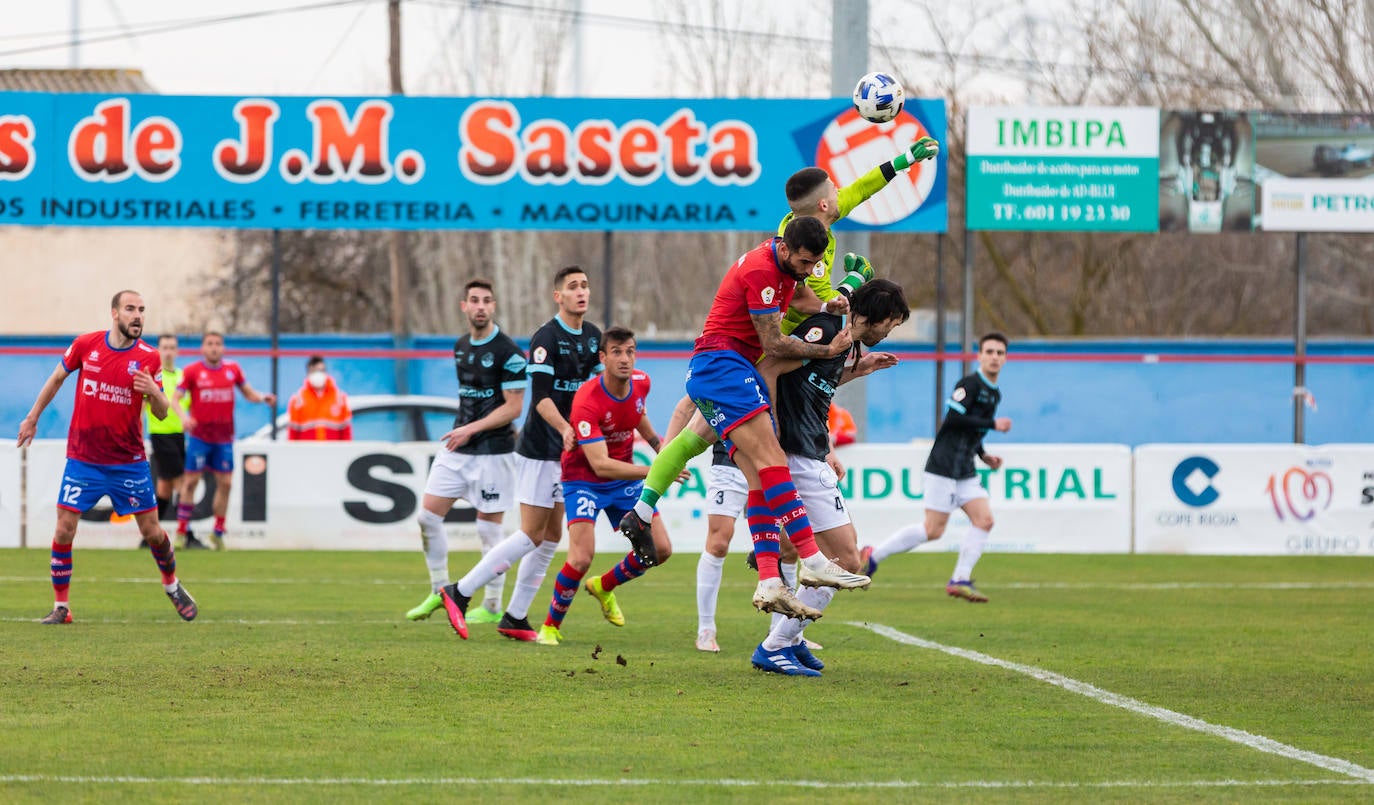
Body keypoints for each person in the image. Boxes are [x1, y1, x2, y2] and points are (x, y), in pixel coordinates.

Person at [618, 138, 941, 554]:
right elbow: (811, 303)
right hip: (778, 347)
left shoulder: (807, 231)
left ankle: (645, 509)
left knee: (697, 430)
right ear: (823, 206)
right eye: (833, 195)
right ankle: (777, 547)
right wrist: (852, 287)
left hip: (768, 344)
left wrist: (903, 161)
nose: (842, 198)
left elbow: (861, 190)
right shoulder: (797, 246)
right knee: (769, 451)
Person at [621, 216, 868, 622]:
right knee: (774, 459)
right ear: (786, 249)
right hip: (724, 366)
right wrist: (828, 351)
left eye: (814, 265)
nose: (808, 271)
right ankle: (811, 557)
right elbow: (772, 341)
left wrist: (830, 301)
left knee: (757, 474)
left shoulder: (787, 265)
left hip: (725, 370)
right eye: (805, 263)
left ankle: (770, 579)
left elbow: (804, 297)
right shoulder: (762, 270)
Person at [752, 279, 908, 676]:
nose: (889, 332)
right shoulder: (824, 328)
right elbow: (769, 367)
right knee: (846, 559)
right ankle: (776, 645)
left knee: (822, 555)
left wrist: (861, 370)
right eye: (890, 323)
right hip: (798, 457)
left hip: (811, 453)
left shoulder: (848, 344)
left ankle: (789, 640)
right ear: (877, 315)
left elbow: (814, 383)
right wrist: (769, 433)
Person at [438, 266, 601, 641]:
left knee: (551, 535)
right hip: (541, 448)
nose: (582, 292)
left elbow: (594, 393)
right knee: (530, 534)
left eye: (585, 286)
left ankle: (515, 616)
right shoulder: (545, 337)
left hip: (570, 450)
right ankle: (459, 592)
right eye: (573, 287)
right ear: (557, 296)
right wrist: (564, 428)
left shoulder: (594, 338)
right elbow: (541, 397)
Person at [16, 290, 197, 624]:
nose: (138, 315)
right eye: (130, 309)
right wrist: (32, 417)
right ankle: (62, 607)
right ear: (114, 313)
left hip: (127, 462)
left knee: (153, 532)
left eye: (142, 310)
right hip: (83, 459)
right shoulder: (87, 345)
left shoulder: (149, 358)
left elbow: (159, 413)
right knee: (64, 529)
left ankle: (172, 586)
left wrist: (154, 390)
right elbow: (57, 378)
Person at [535, 326, 673, 645]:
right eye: (617, 352)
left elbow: (637, 416)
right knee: (581, 557)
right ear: (603, 358)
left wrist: (661, 448)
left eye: (630, 351)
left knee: (661, 550)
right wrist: (653, 471)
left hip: (621, 480)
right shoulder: (587, 400)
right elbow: (600, 464)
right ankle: (550, 627)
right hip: (584, 479)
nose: (625, 359)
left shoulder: (642, 382)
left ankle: (605, 586)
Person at [406, 279, 526, 626]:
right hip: (458, 449)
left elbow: (513, 408)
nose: (480, 306)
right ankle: (438, 590)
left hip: (494, 452)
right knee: (427, 517)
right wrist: (465, 430)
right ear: (464, 306)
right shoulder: (460, 346)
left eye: (487, 301)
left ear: (493, 306)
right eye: (474, 300)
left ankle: (490, 605)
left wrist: (470, 429)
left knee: (489, 532)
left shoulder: (510, 354)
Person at [861, 332, 1012, 603]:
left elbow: (972, 430)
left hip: (965, 469)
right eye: (989, 352)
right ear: (979, 356)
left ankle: (960, 579)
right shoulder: (970, 384)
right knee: (933, 530)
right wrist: (993, 425)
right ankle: (873, 556)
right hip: (943, 466)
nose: (994, 357)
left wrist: (984, 455)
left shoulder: (994, 392)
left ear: (1005, 358)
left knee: (984, 520)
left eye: (999, 353)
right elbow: (954, 419)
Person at [174, 331, 276, 550]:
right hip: (200, 437)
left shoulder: (232, 370)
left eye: (217, 344)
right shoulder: (193, 371)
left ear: (223, 348)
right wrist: (184, 417)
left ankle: (218, 533)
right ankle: (182, 531)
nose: (214, 348)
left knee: (226, 483)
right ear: (203, 348)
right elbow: (176, 398)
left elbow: (248, 393)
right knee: (190, 482)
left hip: (224, 438)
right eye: (210, 344)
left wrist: (262, 398)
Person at [142, 332, 197, 548]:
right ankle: (187, 533)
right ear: (158, 350)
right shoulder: (154, 376)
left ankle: (149, 536)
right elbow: (142, 405)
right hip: (161, 435)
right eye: (164, 347)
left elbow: (190, 406)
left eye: (172, 347)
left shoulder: (183, 377)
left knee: (164, 488)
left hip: (179, 437)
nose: (168, 352)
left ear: (177, 351)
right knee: (183, 483)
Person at [286, 355, 352, 440]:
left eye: (321, 370)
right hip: (307, 451)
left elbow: (346, 431)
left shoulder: (339, 397)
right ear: (308, 373)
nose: (318, 374)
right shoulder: (298, 399)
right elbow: (293, 433)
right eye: (314, 371)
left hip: (333, 451)